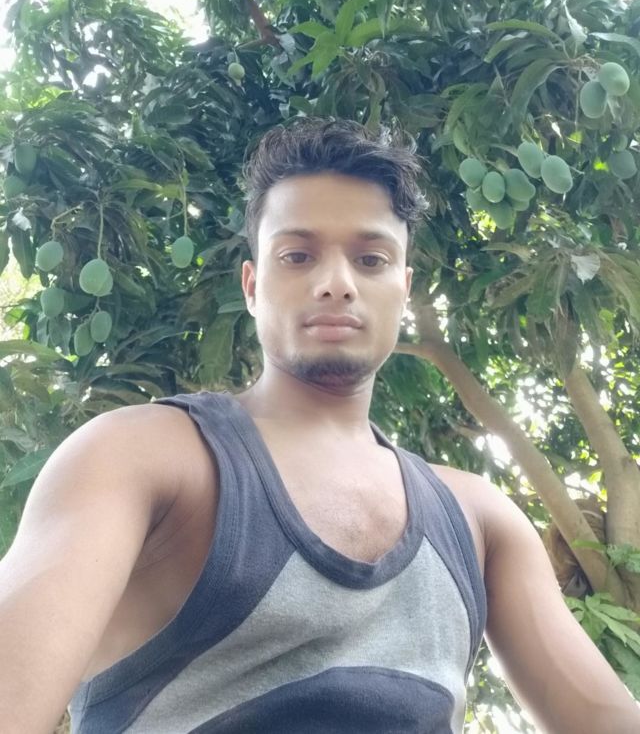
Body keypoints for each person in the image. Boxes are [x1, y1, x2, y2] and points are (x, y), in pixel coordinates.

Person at [0, 119, 638, 734]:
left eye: (371, 259)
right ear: (252, 286)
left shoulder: (480, 520)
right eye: (298, 255)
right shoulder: (137, 456)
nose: (336, 284)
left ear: (404, 288)